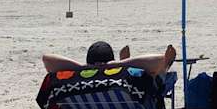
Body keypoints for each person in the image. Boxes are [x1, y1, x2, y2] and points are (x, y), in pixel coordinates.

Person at [42, 41, 177, 78]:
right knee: (155, 72)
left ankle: (164, 66)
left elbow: (47, 58)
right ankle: (166, 67)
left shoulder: (80, 78)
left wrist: (81, 67)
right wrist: (120, 64)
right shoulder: (117, 75)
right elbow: (159, 59)